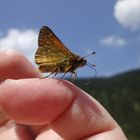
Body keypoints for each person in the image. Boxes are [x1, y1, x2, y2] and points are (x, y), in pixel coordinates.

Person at [0, 50, 127, 140]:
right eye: (82, 61)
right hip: (49, 63)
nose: (82, 64)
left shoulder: (72, 66)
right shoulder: (71, 60)